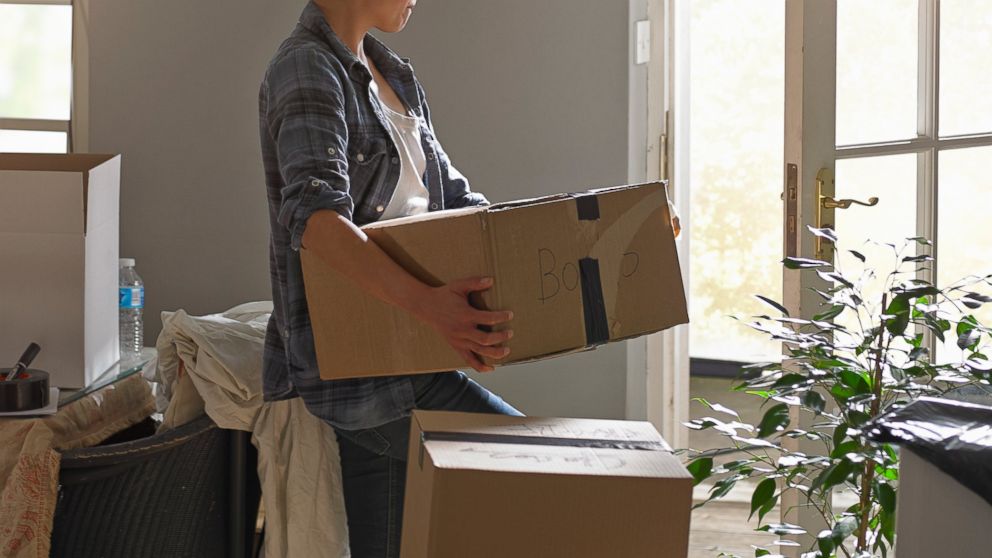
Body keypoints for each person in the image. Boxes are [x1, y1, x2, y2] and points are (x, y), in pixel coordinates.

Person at [258, 1, 522, 556]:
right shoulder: (306, 69)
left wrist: (600, 231)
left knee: (390, 542)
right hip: (362, 374)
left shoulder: (394, 73)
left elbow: (460, 204)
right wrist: (434, 307)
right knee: (547, 466)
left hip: (412, 353)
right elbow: (320, 223)